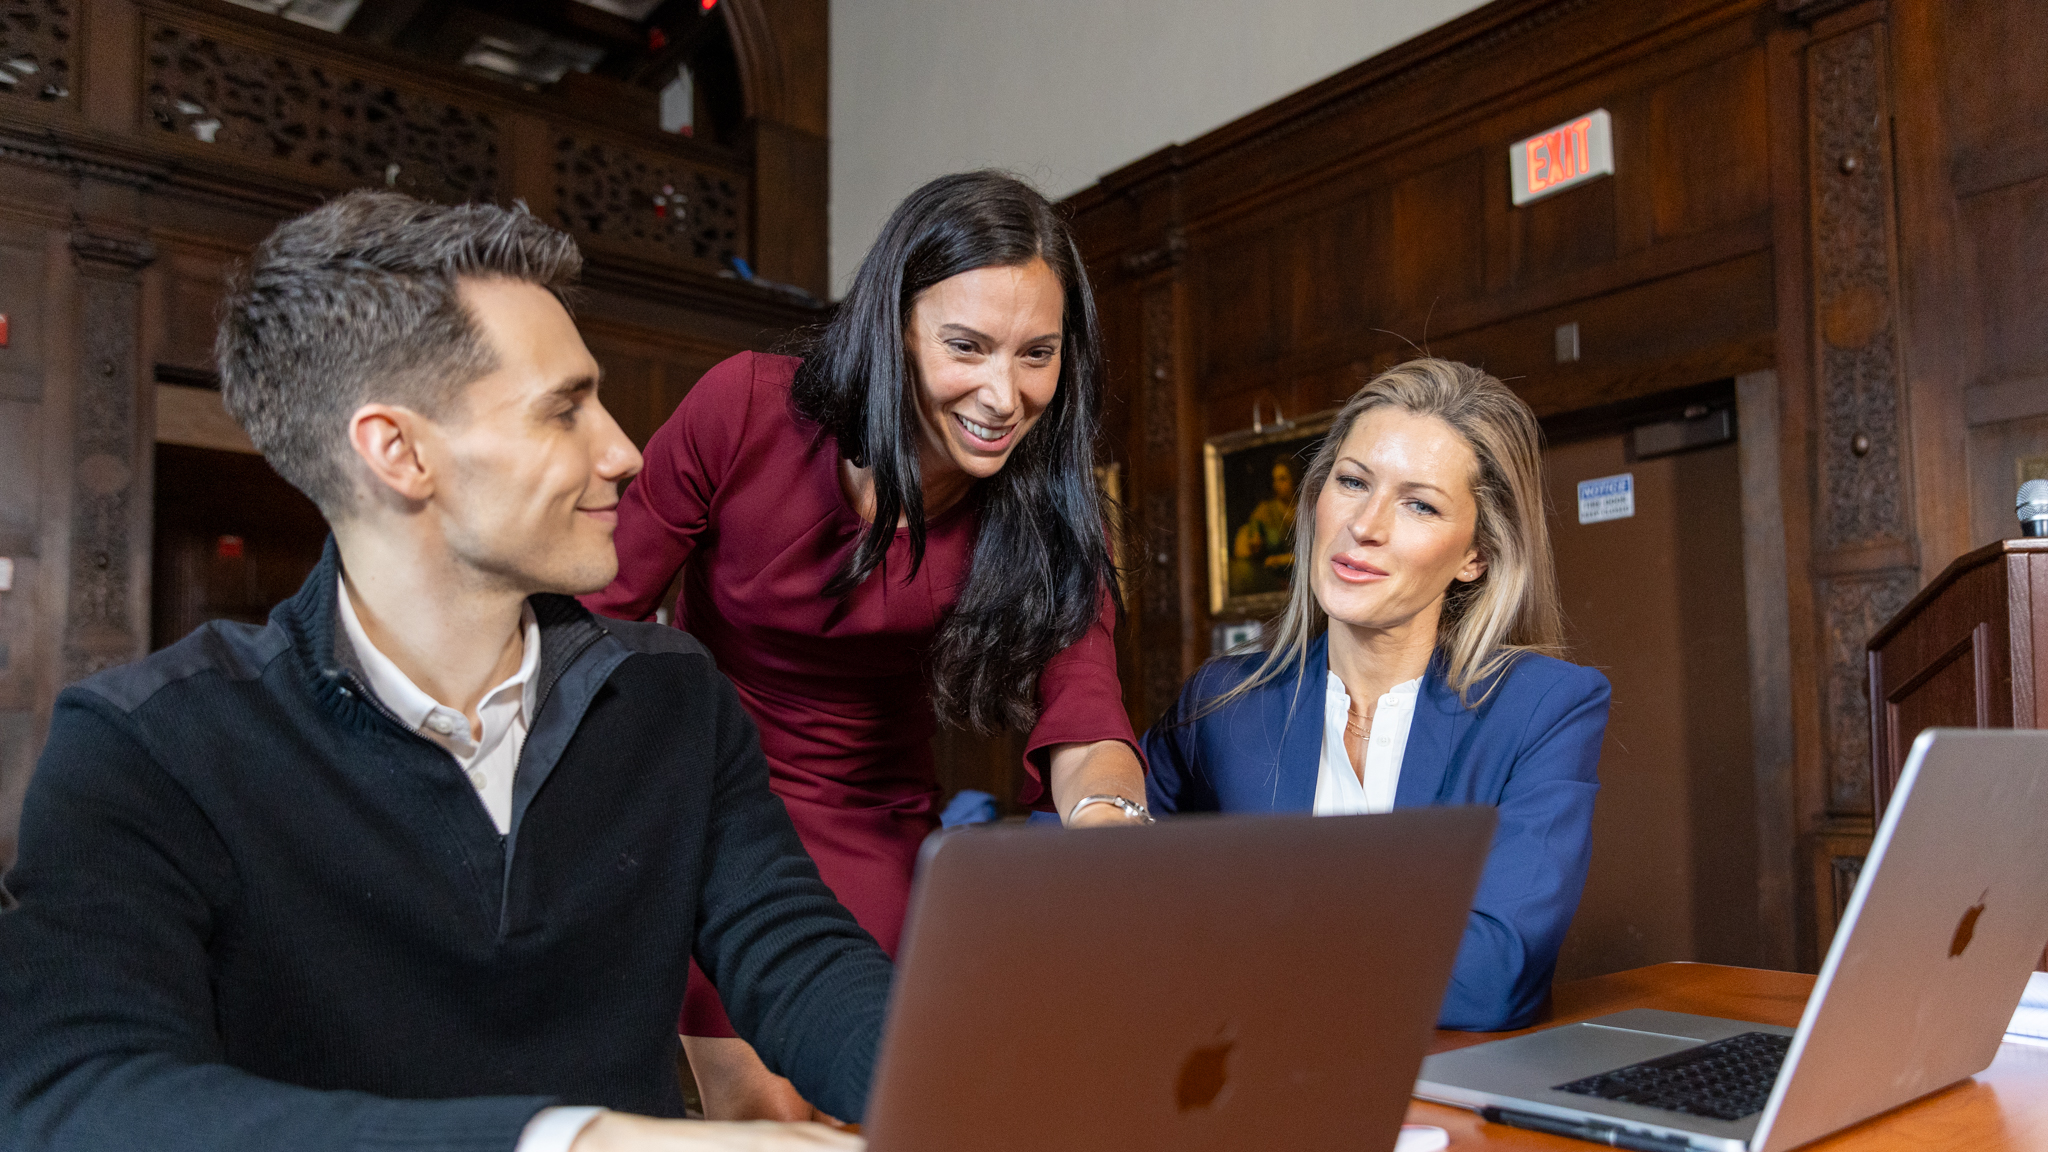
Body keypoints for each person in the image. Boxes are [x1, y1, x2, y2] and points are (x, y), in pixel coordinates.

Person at [0, 192, 892, 1152]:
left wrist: (971, 1092)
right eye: (564, 411)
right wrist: (579, 1142)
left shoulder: (674, 697)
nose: (625, 452)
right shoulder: (145, 746)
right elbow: (79, 1101)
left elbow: (801, 962)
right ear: (399, 452)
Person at [582, 170, 1148, 1120]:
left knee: (893, 1110)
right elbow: (599, 611)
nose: (1005, 395)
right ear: (893, 327)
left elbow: (1087, 710)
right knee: (765, 1115)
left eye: (1037, 354)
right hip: (714, 813)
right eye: (966, 346)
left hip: (879, 825)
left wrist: (1109, 828)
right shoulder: (747, 410)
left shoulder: (1047, 513)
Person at [1144, 358, 1609, 1032]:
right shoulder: (1223, 701)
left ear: (1476, 554)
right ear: (1317, 497)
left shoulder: (1543, 708)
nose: (1366, 524)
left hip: (1439, 1103)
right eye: (1353, 481)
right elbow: (1089, 873)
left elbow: (1491, 976)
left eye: (1419, 504)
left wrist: (1227, 920)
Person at [1231, 457, 1298, 592]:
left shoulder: (1308, 510)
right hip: (1274, 583)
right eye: (1275, 480)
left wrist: (1282, 560)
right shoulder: (1265, 511)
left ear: (1295, 480)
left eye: (1282, 479)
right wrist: (1253, 539)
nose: (1276, 485)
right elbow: (1249, 536)